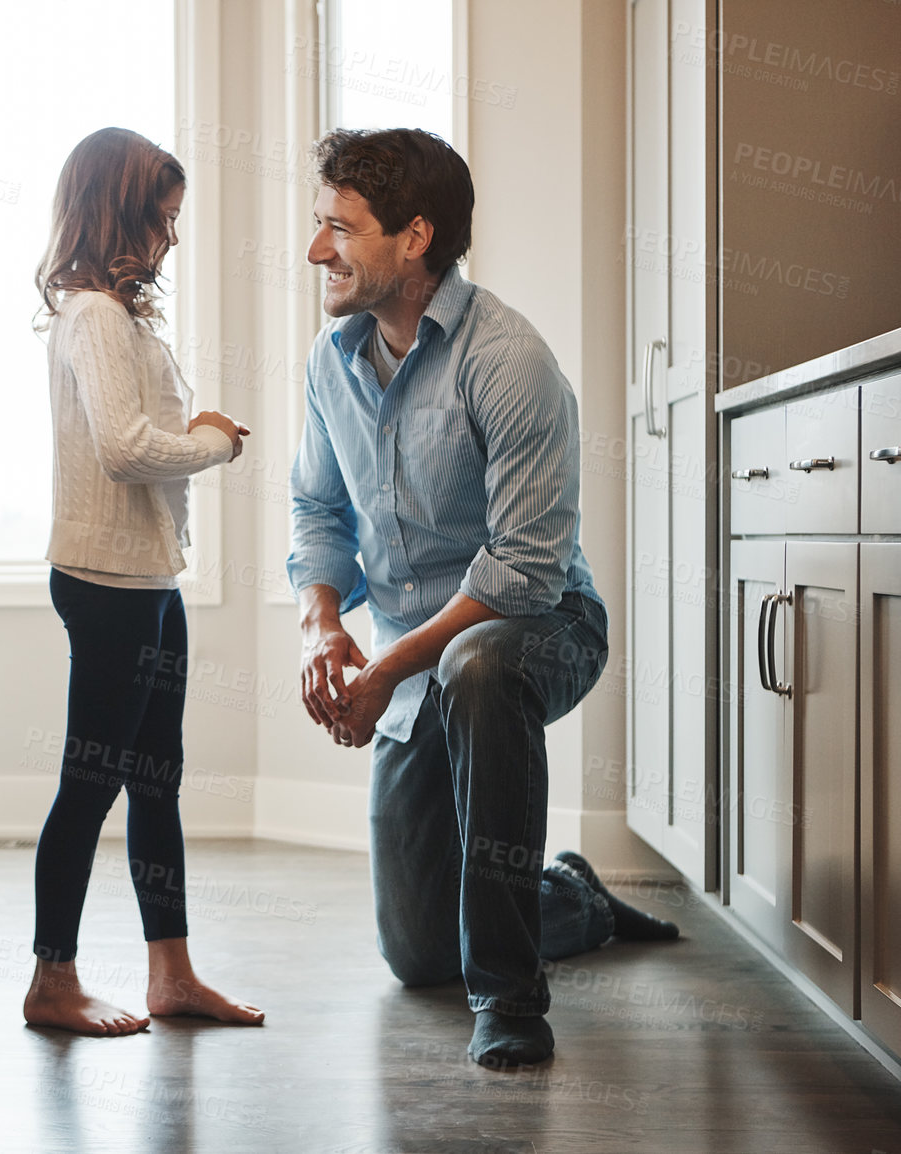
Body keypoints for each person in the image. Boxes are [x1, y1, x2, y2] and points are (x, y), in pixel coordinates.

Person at [287, 128, 677, 1068]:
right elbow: (316, 506)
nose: (316, 251)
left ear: (414, 239)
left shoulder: (507, 360)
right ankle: (571, 898)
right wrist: (322, 623)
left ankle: (510, 1000)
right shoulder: (330, 360)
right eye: (318, 225)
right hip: (417, 664)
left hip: (541, 629)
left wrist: (382, 666)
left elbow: (520, 574)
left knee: (478, 662)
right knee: (418, 955)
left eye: (339, 229)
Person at [23, 127, 265, 1037]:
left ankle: (172, 976)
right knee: (92, 781)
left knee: (155, 777)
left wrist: (196, 433)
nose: (167, 239)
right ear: (115, 214)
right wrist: (216, 439)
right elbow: (125, 450)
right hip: (107, 580)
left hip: (145, 578)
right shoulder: (91, 317)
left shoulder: (114, 318)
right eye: (159, 220)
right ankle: (52, 981)